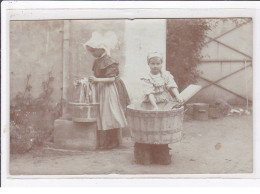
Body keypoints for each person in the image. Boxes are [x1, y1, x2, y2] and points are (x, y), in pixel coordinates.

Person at [135, 52, 183, 165]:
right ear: (148, 64)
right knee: (152, 123)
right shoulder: (146, 77)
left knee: (163, 123)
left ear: (161, 64)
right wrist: (154, 106)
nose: (155, 66)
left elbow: (172, 85)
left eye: (158, 63)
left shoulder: (165, 75)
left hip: (164, 100)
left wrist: (178, 96)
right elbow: (149, 92)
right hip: (151, 101)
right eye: (152, 63)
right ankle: (148, 147)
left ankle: (161, 148)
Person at [84, 31, 130, 150]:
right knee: (102, 115)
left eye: (94, 50)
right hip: (102, 89)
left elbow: (111, 79)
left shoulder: (109, 61)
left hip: (110, 90)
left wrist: (96, 80)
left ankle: (113, 141)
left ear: (101, 49)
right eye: (91, 50)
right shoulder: (98, 61)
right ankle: (105, 141)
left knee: (110, 114)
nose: (92, 53)